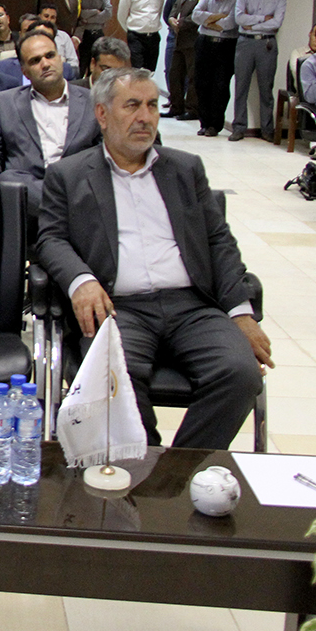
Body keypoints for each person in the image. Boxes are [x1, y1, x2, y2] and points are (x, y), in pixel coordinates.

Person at [36, 67, 273, 449]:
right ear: (102, 114)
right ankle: (145, 464)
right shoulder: (69, 174)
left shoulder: (185, 169)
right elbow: (51, 239)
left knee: (241, 373)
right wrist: (82, 281)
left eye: (151, 106)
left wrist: (240, 312)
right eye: (132, 106)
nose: (145, 117)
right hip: (119, 308)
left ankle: (176, 470)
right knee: (114, 378)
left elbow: (218, 241)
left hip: (192, 306)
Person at [0, 31, 101, 207]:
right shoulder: (4, 102)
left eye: (50, 56)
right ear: (25, 72)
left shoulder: (93, 101)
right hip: (27, 201)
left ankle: (59, 203)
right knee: (9, 179)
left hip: (78, 191)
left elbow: (106, 153)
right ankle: (60, 204)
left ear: (60, 58)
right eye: (35, 61)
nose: (45, 64)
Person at [230, 0, 287, 141]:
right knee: (241, 86)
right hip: (245, 44)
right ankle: (239, 127)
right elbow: (239, 19)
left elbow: (276, 23)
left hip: (266, 44)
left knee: (266, 88)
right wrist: (263, 19)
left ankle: (267, 129)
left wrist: (252, 24)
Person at [191, 0, 239, 137]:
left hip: (225, 46)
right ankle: (204, 123)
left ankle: (215, 125)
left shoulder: (237, 0)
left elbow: (229, 23)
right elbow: (195, 16)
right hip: (204, 44)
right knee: (201, 84)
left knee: (220, 86)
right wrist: (218, 16)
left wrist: (207, 21)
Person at [164, 0, 210, 120]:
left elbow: (201, 14)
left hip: (193, 39)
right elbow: (175, 8)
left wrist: (182, 23)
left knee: (192, 75)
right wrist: (171, 19)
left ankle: (192, 109)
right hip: (178, 38)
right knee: (174, 73)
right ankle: (176, 106)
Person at [115, 0, 166, 74]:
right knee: (137, 71)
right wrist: (131, 31)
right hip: (136, 37)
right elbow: (121, 16)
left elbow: (158, 14)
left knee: (150, 71)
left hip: (153, 37)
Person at [75, 0, 114, 72]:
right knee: (81, 67)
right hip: (82, 35)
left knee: (98, 66)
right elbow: (77, 14)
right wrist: (95, 12)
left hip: (98, 35)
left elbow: (108, 13)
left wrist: (86, 19)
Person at [34, 6, 80, 70]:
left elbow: (73, 61)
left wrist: (66, 71)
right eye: (46, 16)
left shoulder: (64, 36)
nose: (49, 20)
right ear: (39, 16)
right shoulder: (33, 36)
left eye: (52, 17)